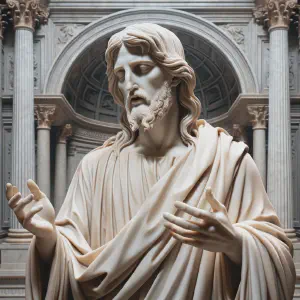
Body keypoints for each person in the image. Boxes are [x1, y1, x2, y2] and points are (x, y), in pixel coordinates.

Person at [6, 23, 295, 299]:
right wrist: (47, 239)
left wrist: (237, 244)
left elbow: (278, 260)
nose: (129, 84)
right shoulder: (95, 168)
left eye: (141, 69)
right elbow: (71, 273)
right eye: (120, 75)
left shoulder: (227, 162)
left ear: (174, 75)